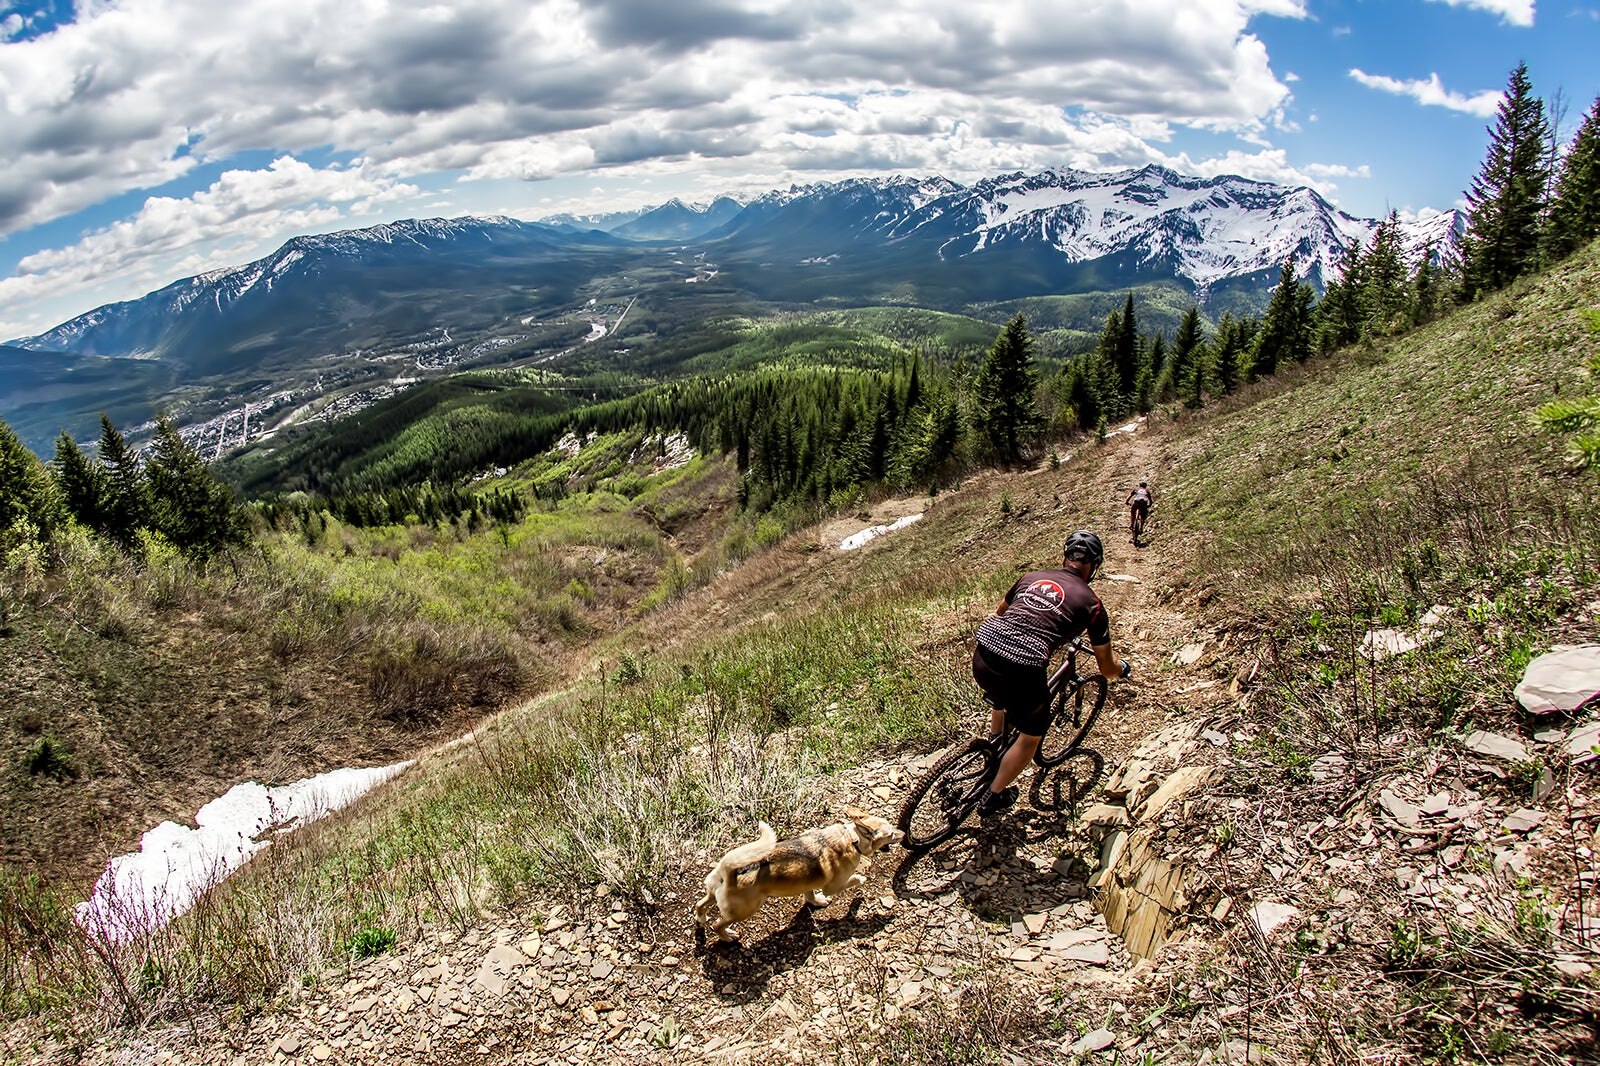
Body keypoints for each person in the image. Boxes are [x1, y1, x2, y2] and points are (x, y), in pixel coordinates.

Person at [970, 529, 1131, 816]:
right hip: (1024, 667)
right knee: (1031, 736)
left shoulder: (1031, 577)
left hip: (984, 652)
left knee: (1001, 691)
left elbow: (1000, 613)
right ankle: (994, 796)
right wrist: (1122, 669)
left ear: (1065, 557)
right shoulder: (1092, 604)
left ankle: (994, 743)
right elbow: (1106, 667)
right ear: (1094, 566)